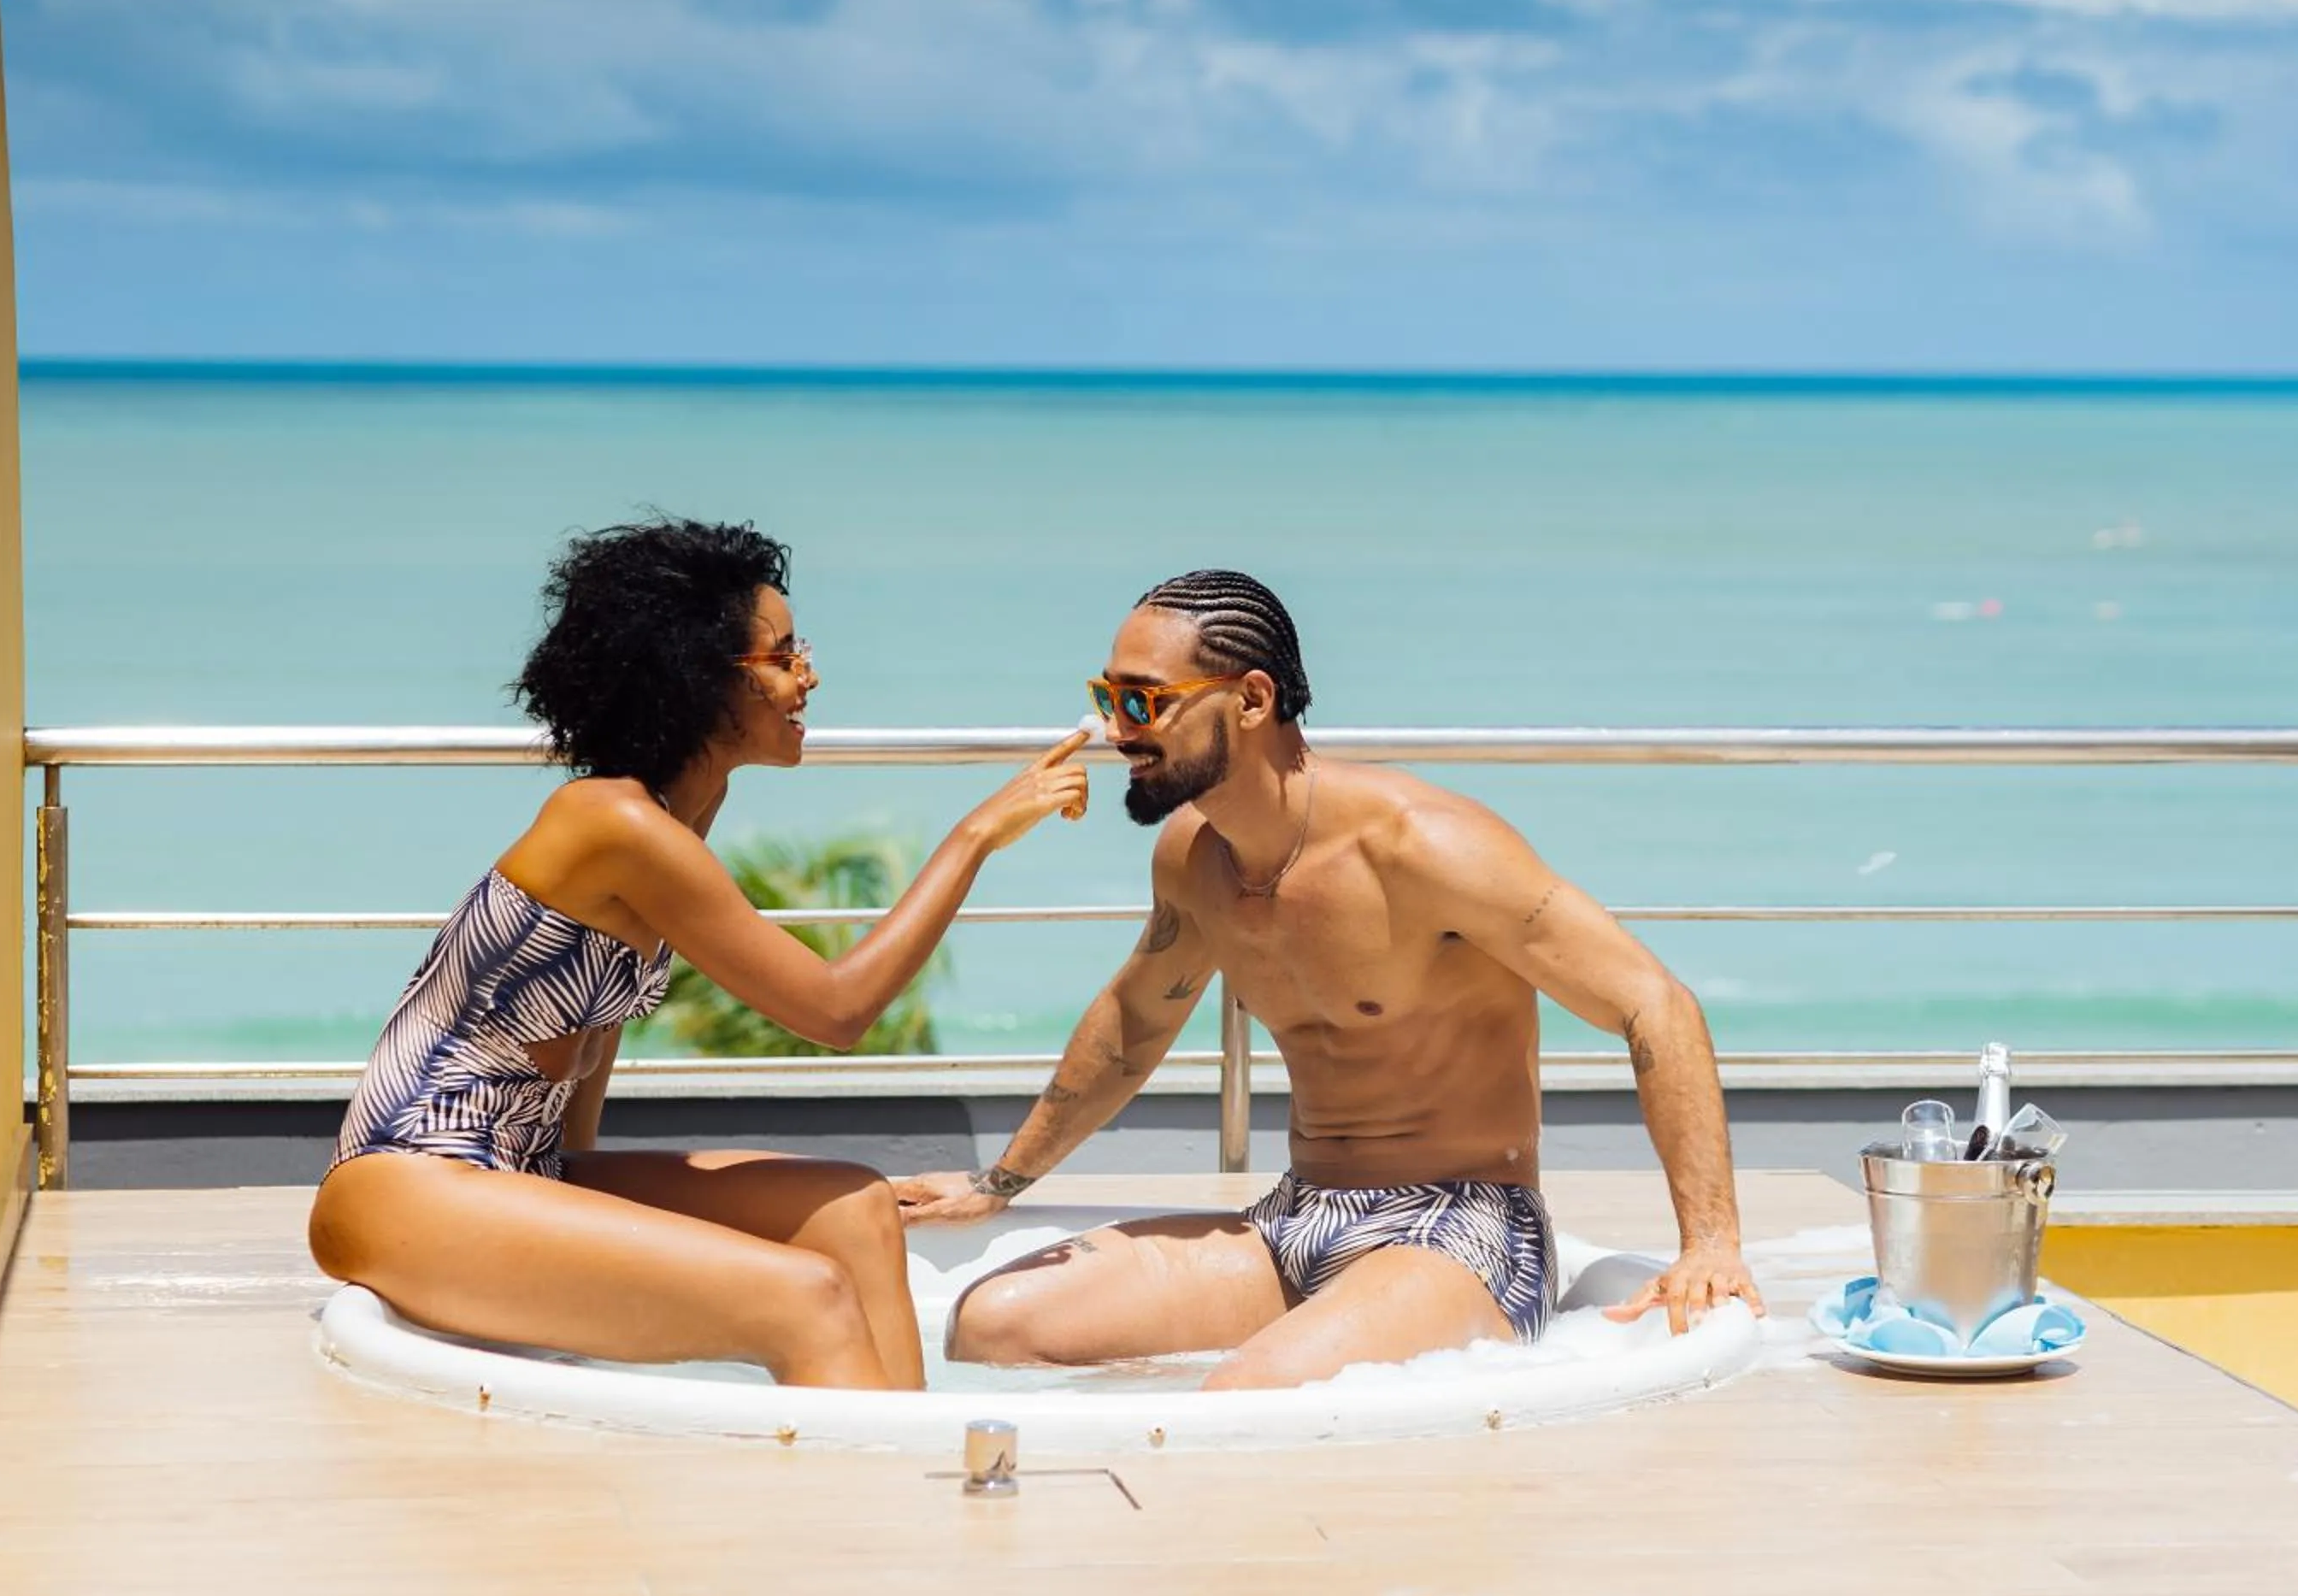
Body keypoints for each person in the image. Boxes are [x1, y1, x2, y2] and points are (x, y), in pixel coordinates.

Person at [896, 569, 1762, 1389]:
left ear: (1252, 698)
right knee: (994, 1322)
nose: (1118, 730)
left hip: (1465, 1228)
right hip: (1298, 1216)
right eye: (1107, 698)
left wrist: (1710, 1242)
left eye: (1144, 701)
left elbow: (1655, 1003)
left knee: (1250, 1392)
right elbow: (1133, 1027)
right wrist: (997, 1181)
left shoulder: (1424, 848)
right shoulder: (1196, 861)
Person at [309, 518, 1088, 1390]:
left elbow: (583, 1052)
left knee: (855, 1204)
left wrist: (595, 1213)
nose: (809, 674)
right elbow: (837, 1010)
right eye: (784, 655)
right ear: (698, 679)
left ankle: (909, 1468)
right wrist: (978, 833)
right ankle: (873, 1512)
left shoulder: (672, 821)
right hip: (409, 1178)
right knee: (806, 1295)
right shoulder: (613, 821)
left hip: (516, 1167)